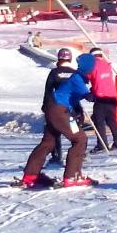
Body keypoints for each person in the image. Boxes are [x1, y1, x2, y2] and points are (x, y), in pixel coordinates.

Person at [20, 48, 92, 189]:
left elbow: (48, 92)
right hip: (64, 111)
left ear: (59, 59)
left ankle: (31, 175)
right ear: (70, 59)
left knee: (49, 142)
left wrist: (46, 110)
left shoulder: (53, 72)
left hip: (52, 109)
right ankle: (72, 176)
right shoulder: (74, 74)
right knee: (80, 139)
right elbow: (80, 96)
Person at [83, 46, 117, 151]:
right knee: (112, 121)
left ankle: (102, 144)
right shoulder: (107, 65)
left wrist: (90, 91)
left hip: (100, 98)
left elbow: (86, 78)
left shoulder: (92, 66)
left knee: (99, 122)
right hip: (112, 98)